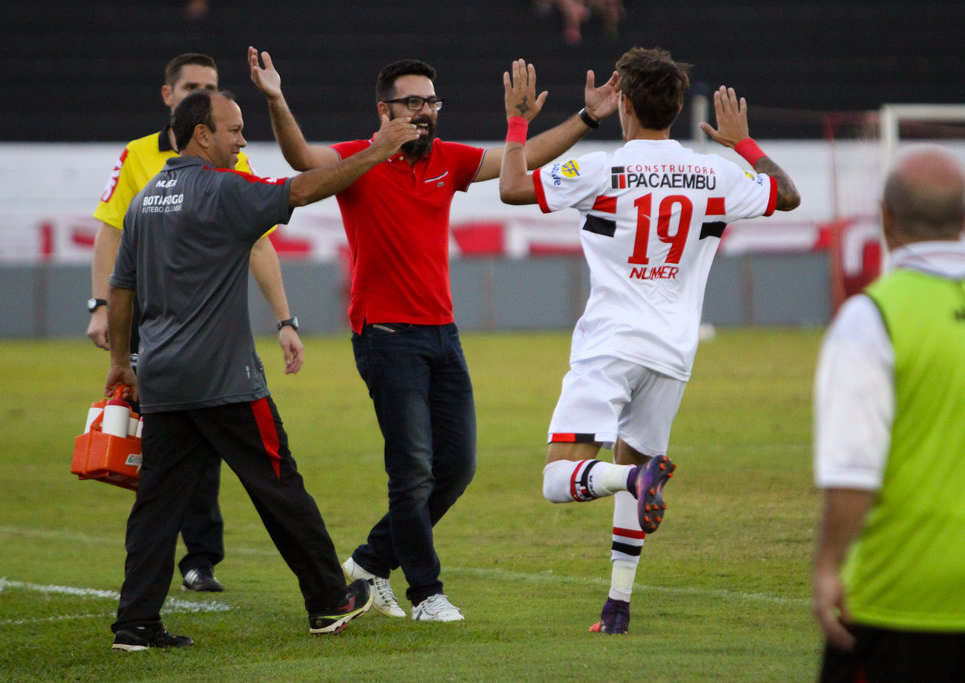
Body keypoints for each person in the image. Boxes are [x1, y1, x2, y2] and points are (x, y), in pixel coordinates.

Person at [249, 47, 621, 622]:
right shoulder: (360, 157)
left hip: (442, 335)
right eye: (412, 102)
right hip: (385, 336)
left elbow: (520, 160)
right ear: (384, 109)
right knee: (412, 470)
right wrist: (275, 97)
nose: (425, 111)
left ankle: (371, 562)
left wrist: (589, 118)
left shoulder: (448, 160)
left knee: (457, 466)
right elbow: (301, 158)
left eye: (431, 101)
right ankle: (427, 593)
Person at [105, 89, 421, 650]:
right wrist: (377, 150)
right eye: (233, 130)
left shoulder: (146, 198)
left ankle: (135, 623)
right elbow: (302, 188)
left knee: (157, 504)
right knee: (281, 488)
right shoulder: (224, 190)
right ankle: (328, 601)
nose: (242, 140)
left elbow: (120, 288)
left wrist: (120, 363)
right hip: (224, 378)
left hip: (162, 379)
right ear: (202, 134)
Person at [499, 48, 800, 634]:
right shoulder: (714, 176)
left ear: (625, 106)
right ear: (678, 107)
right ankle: (617, 607)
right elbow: (786, 195)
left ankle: (635, 481)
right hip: (673, 353)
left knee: (561, 481)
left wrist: (518, 120)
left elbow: (512, 187)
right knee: (634, 461)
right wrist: (742, 143)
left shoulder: (601, 170)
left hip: (610, 346)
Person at [89, 52, 304, 593]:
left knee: (178, 464)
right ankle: (318, 589)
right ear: (170, 97)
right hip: (170, 332)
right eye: (191, 86)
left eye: (208, 85)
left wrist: (285, 319)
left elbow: (257, 242)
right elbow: (111, 236)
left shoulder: (231, 164)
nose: (198, 92)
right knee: (227, 464)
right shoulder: (139, 157)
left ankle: (188, 567)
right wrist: (101, 313)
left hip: (184, 338)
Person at [812, 147, 965, 681]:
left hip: (898, 595)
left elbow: (854, 469)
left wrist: (829, 563)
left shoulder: (871, 318)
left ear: (886, 218)